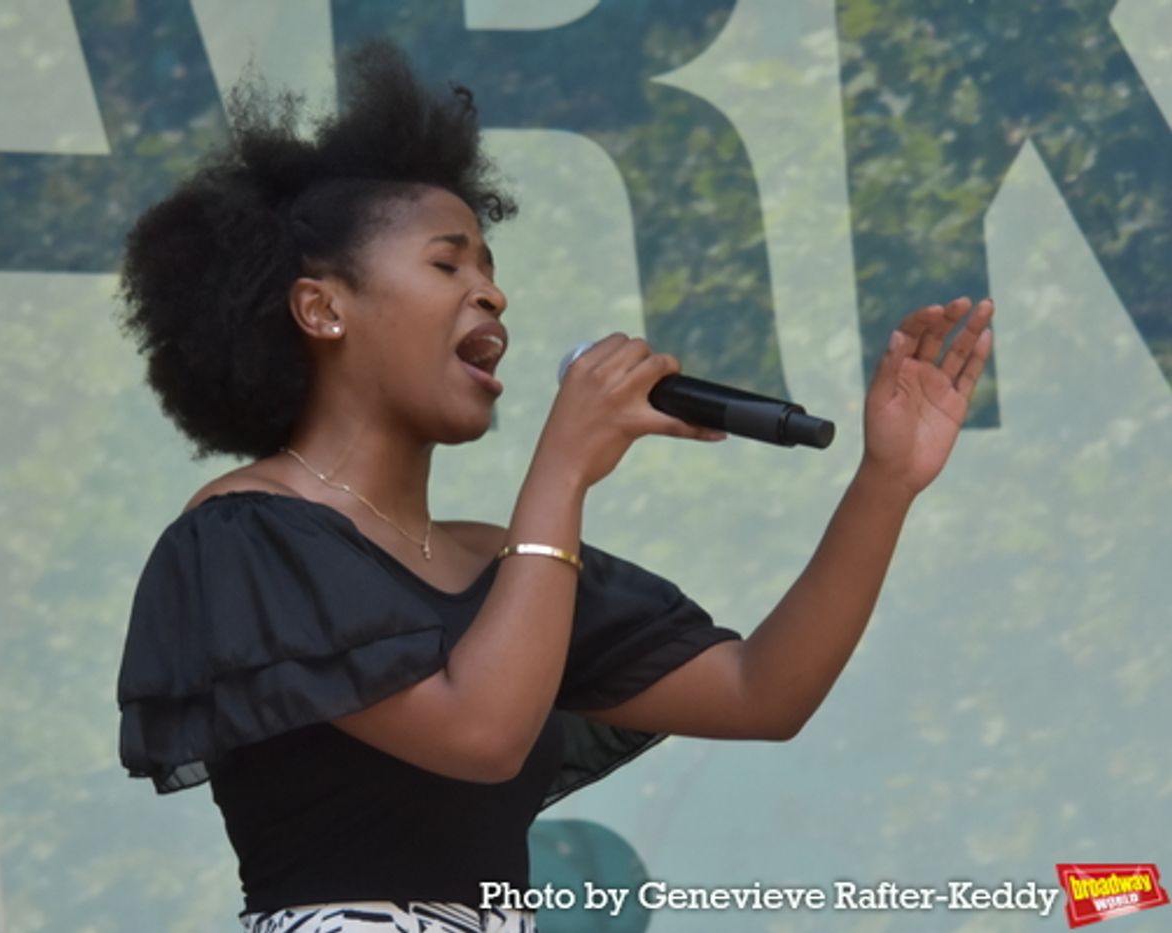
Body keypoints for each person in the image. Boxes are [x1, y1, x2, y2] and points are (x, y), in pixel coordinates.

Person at [115, 41, 994, 933]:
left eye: (492, 271)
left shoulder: (498, 557)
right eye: (449, 264)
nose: (492, 295)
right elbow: (481, 735)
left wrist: (888, 480)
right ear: (323, 308)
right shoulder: (243, 534)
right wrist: (564, 466)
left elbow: (761, 692)